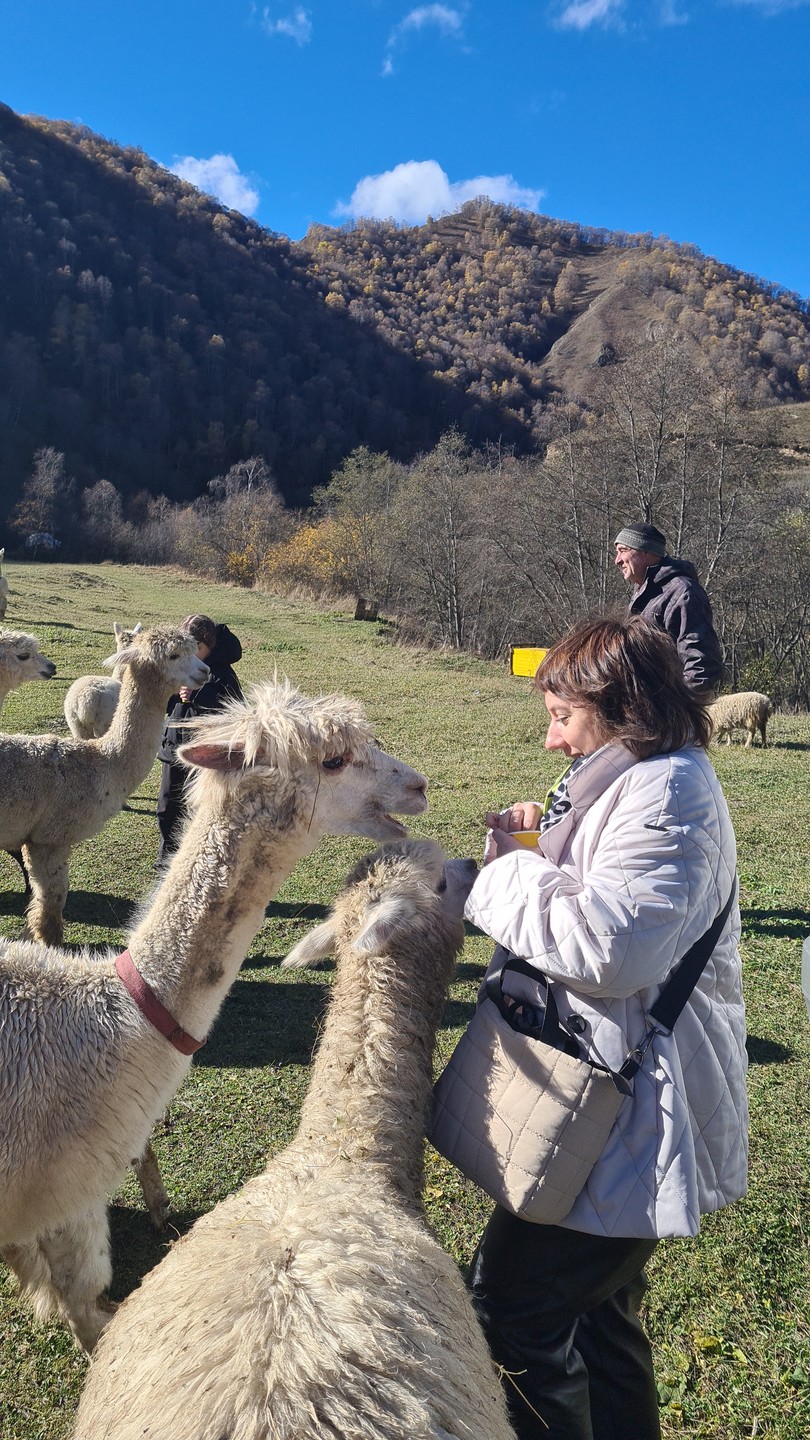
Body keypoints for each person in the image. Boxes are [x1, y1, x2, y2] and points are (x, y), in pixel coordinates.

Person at [445, 615, 748, 1440]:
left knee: (513, 1307)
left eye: (562, 717)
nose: (551, 740)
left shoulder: (671, 792)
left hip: (633, 1106)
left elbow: (612, 950)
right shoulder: (628, 778)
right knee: (599, 1316)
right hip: (618, 1095)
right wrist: (533, 848)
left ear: (622, 709)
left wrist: (504, 872)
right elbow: (601, 900)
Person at [155, 613, 243, 867]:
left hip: (206, 755)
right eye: (187, 649)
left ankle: (200, 856)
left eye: (197, 649)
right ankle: (166, 857)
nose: (192, 655)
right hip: (175, 746)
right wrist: (173, 694)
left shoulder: (223, 675)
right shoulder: (179, 668)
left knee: (203, 807)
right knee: (167, 805)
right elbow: (166, 706)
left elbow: (234, 712)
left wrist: (197, 696)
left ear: (209, 646)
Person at [613, 521, 723, 700]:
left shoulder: (683, 592)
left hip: (672, 706)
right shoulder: (644, 592)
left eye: (623, 551)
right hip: (649, 703)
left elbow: (701, 662)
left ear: (646, 552)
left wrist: (683, 706)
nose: (617, 560)